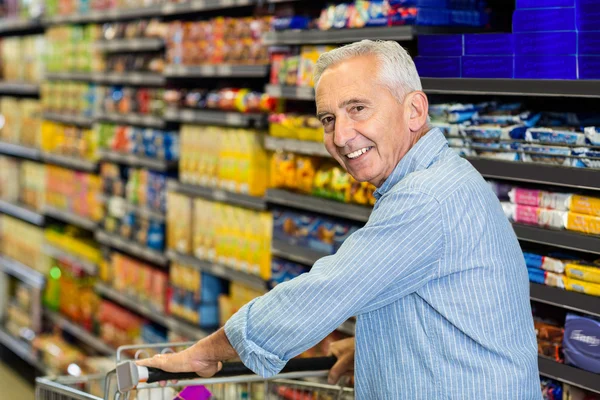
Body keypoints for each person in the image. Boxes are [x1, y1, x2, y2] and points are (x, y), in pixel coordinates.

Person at [137, 40, 541, 399]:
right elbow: (433, 300)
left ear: (414, 110)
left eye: (358, 109)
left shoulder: (426, 198)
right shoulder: (436, 177)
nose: (341, 136)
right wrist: (376, 346)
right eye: (328, 119)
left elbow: (318, 296)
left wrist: (202, 354)